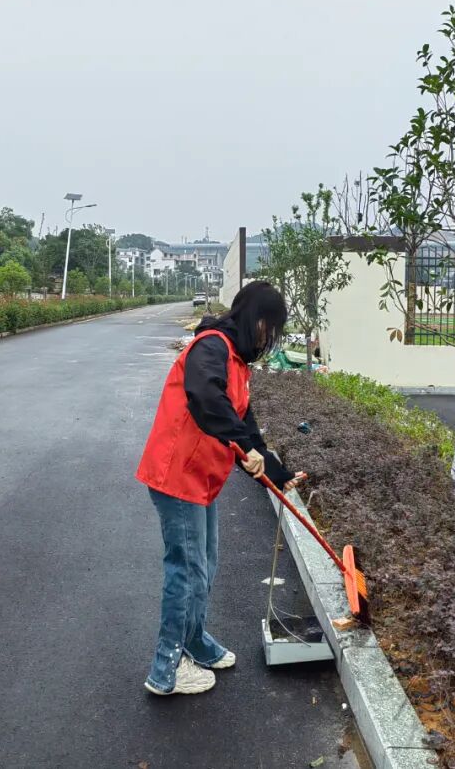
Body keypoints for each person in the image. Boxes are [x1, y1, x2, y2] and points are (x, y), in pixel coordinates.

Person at [136, 281, 303, 695]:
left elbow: (243, 423)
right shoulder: (211, 347)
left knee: (205, 566)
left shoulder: (236, 362)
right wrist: (245, 448)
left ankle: (195, 640)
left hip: (201, 479)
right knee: (186, 571)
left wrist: (277, 473)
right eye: (269, 327)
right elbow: (205, 397)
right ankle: (166, 670)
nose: (270, 338)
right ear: (255, 320)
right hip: (177, 477)